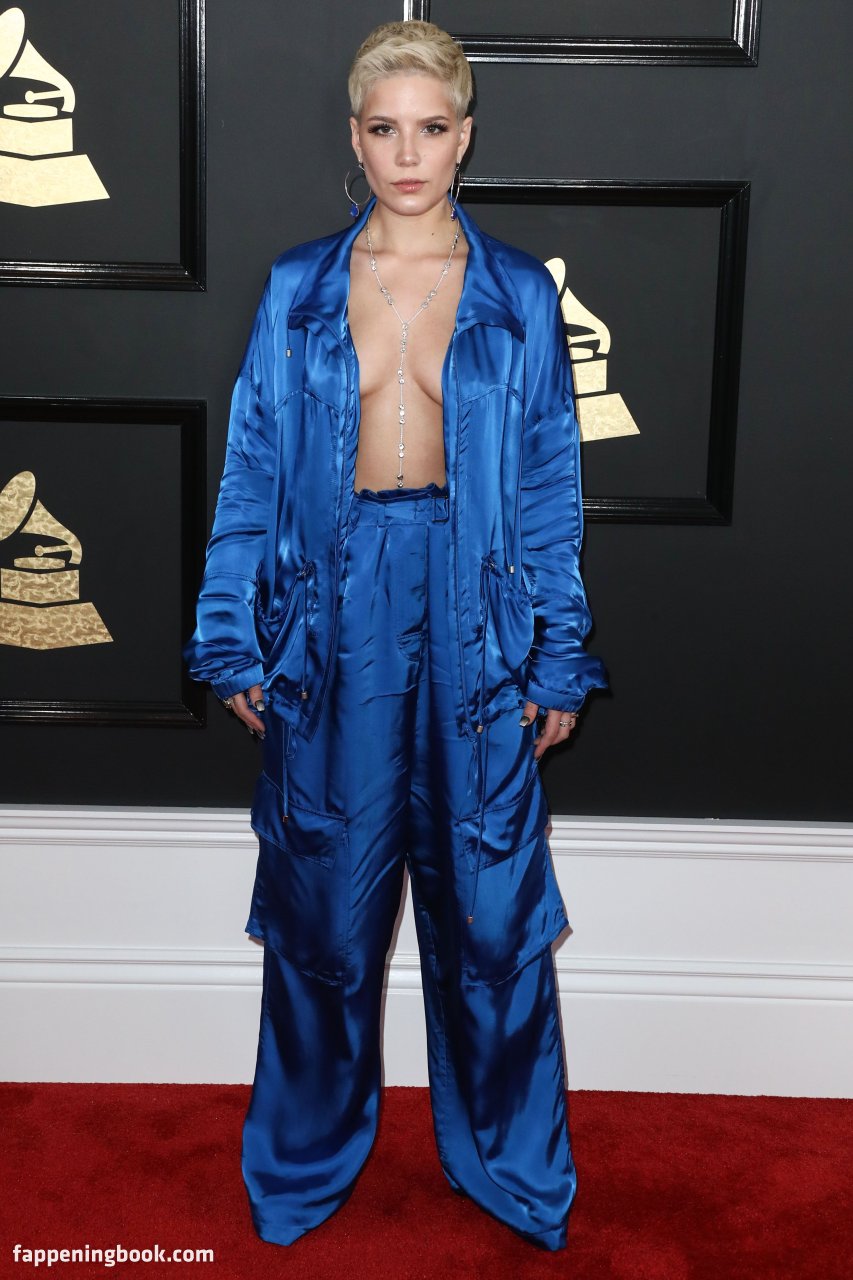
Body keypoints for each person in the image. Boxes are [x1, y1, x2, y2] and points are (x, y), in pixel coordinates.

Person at [182, 19, 607, 1253]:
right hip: (335, 606)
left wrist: (557, 648)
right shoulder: (299, 288)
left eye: (431, 128)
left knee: (491, 908)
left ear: (464, 137)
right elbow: (253, 468)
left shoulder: (519, 293)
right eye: (384, 129)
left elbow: (548, 486)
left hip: (478, 609)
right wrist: (229, 632)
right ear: (355, 139)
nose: (408, 154)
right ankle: (303, 1158)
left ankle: (510, 1164)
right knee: (322, 903)